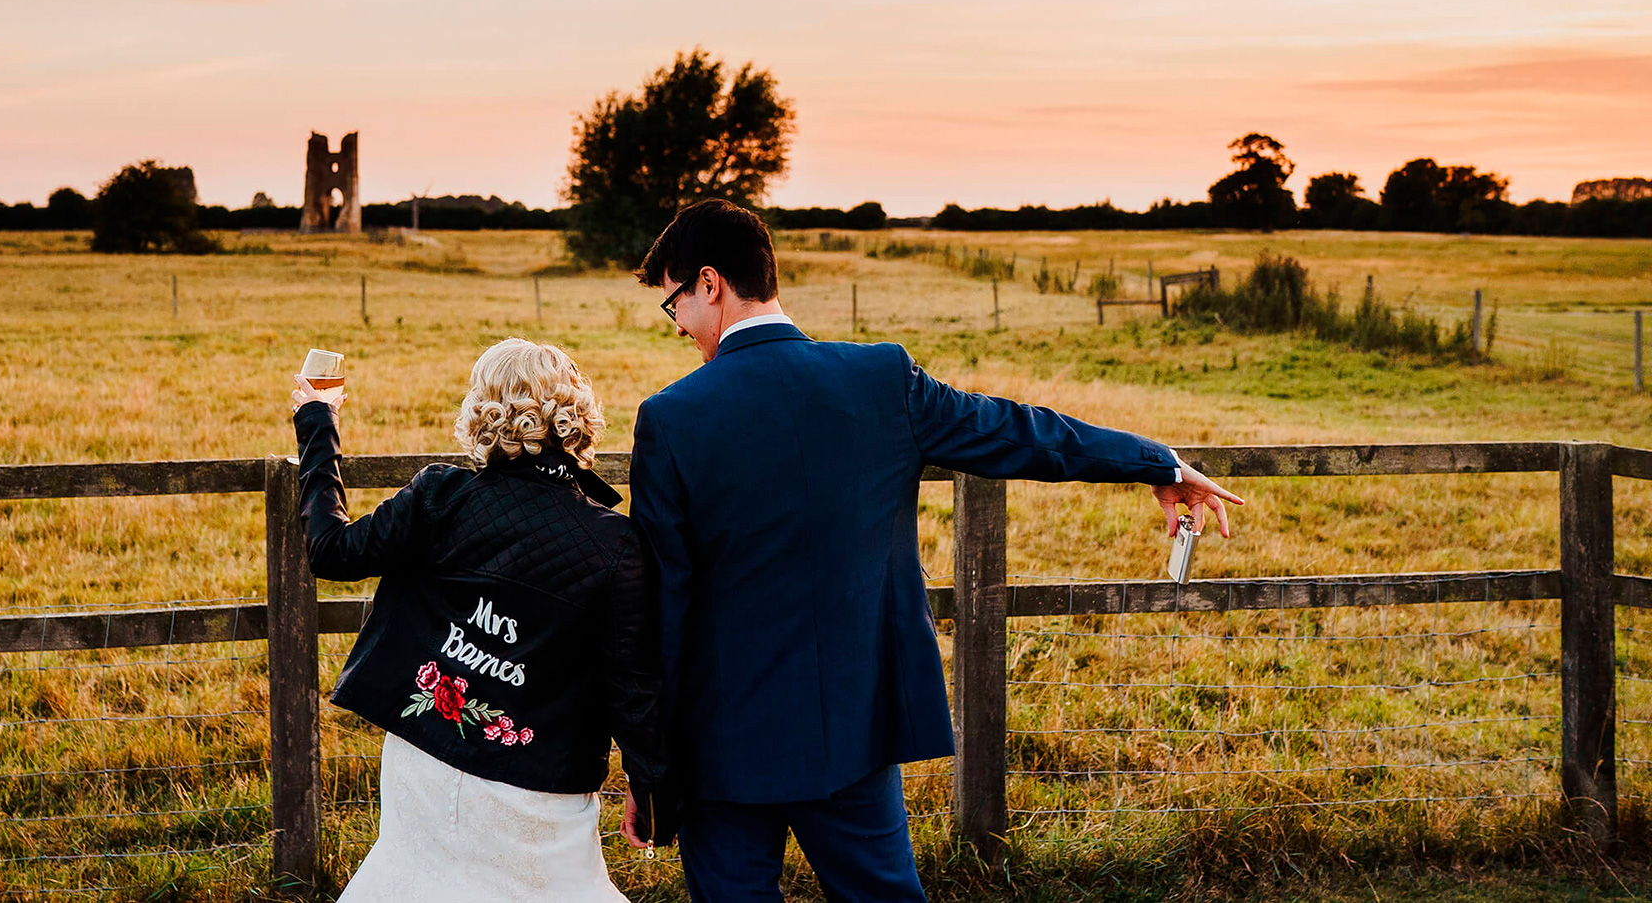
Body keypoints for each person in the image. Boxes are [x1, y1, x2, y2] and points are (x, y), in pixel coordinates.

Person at [621, 200, 1241, 902]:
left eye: (674, 303)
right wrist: (1153, 462)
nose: (678, 326)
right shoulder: (881, 380)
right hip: (854, 729)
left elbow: (660, 609)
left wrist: (650, 769)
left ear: (710, 283)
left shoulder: (670, 418)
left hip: (721, 747)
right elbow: (1016, 431)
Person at [288, 338, 673, 903]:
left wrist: (317, 424)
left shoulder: (442, 496)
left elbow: (333, 551)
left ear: (483, 410)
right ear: (576, 417)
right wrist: (649, 784)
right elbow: (632, 688)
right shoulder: (617, 544)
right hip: (541, 782)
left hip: (426, 756)